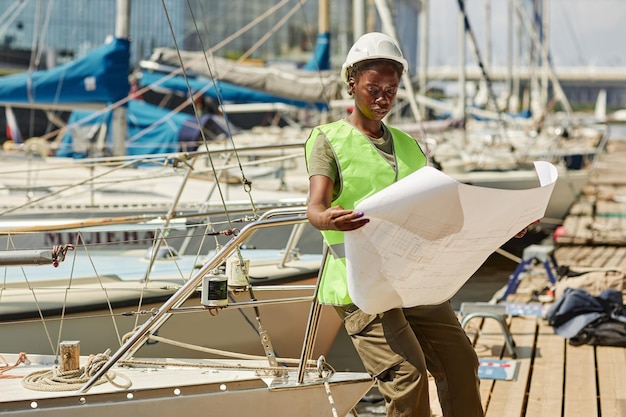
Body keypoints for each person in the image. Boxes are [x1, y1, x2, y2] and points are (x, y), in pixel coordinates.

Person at [305, 32, 536, 417]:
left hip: (413, 277)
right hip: (361, 283)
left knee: (461, 361)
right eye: (373, 88)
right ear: (351, 84)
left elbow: (446, 204)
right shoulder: (327, 141)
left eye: (391, 89)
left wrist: (505, 223)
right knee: (407, 376)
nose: (382, 98)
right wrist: (326, 217)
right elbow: (315, 206)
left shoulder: (409, 145)